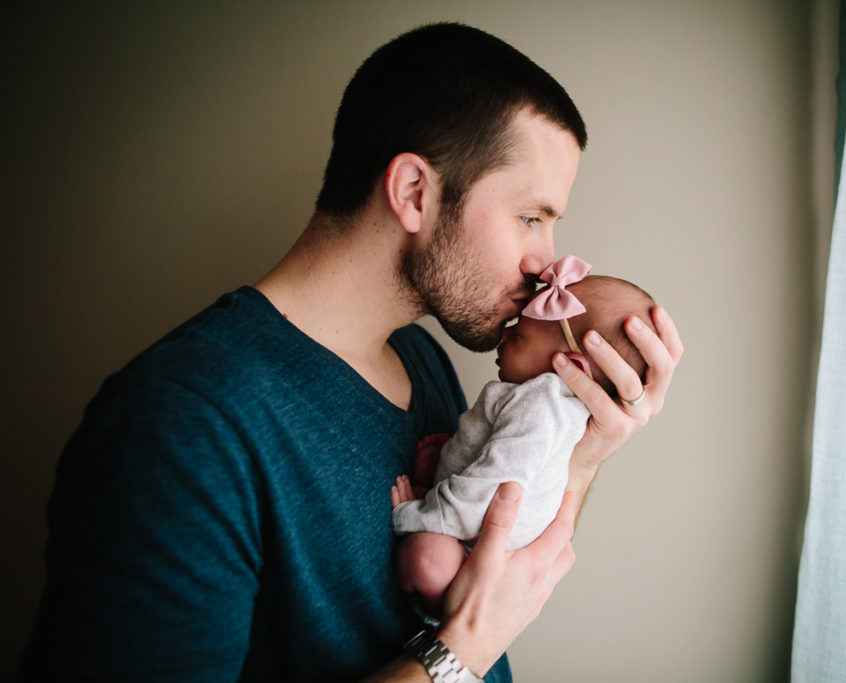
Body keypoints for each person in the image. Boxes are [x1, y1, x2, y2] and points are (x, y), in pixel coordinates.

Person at [20, 22, 683, 683]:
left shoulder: (424, 362)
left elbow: (506, 562)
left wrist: (587, 450)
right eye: (531, 217)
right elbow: (478, 628)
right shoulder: (179, 425)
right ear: (414, 192)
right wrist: (459, 654)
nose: (547, 264)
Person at [390, 257, 657, 612]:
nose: (504, 334)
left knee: (427, 560)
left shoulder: (539, 407)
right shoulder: (554, 408)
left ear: (570, 367)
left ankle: (437, 614)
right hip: (480, 532)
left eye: (519, 334)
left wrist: (416, 514)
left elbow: (493, 488)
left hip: (478, 544)